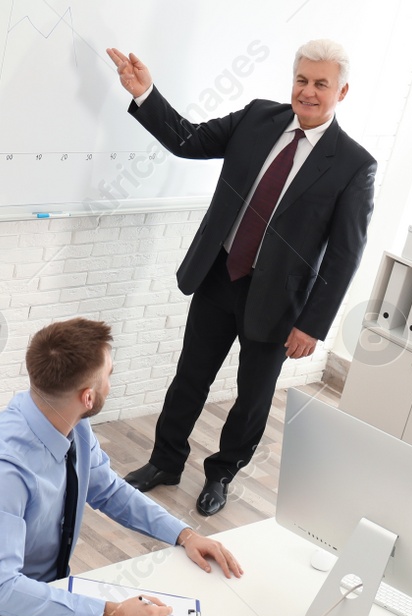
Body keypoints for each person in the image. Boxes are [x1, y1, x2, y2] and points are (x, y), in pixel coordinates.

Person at [107, 39, 376, 517]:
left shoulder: (354, 165)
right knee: (190, 377)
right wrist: (147, 93)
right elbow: (187, 140)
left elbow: (345, 255)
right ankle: (165, 462)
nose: (308, 92)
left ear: (342, 91)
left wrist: (313, 325)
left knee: (252, 399)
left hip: (279, 299)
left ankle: (222, 473)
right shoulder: (257, 118)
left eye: (321, 84)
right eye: (301, 80)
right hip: (219, 274)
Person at [0, 317, 242, 616]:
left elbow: (108, 490)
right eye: (109, 376)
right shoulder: (1, 470)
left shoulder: (71, 421)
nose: (111, 384)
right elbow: (0, 590)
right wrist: (112, 615)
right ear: (88, 397)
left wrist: (184, 534)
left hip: (37, 588)